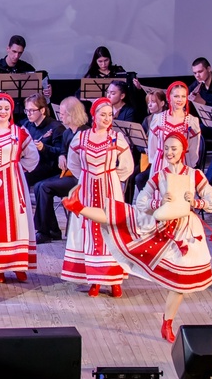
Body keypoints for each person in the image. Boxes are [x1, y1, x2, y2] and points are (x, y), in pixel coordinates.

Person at [63, 132, 212, 342]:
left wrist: (195, 203)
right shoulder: (159, 176)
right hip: (160, 221)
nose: (170, 152)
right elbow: (142, 201)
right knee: (120, 215)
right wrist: (159, 202)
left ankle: (167, 322)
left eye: (174, 148)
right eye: (167, 148)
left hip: (185, 231)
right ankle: (78, 207)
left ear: (183, 150)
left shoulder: (194, 175)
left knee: (179, 283)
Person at [61, 98, 133, 298]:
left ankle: (113, 280)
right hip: (86, 188)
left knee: (110, 230)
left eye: (110, 115)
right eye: (103, 114)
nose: (107, 118)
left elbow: (127, 165)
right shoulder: (81, 138)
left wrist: (111, 177)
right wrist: (85, 176)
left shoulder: (116, 138)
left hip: (109, 188)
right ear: (94, 115)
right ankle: (93, 279)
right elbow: (73, 163)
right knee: (88, 231)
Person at [0, 93, 39, 282]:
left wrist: (19, 168)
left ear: (11, 111)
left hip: (13, 182)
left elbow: (33, 156)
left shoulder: (20, 133)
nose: (3, 112)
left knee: (17, 222)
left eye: (6, 108)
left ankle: (18, 265)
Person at [33, 97, 86, 242]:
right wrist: (62, 155)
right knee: (39, 187)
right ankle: (52, 230)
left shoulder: (85, 133)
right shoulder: (68, 132)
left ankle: (45, 231)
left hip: (80, 178)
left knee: (44, 187)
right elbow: (63, 150)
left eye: (62, 114)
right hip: (68, 174)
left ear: (71, 114)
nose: (60, 116)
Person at [21, 94, 64, 187]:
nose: (28, 113)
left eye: (32, 110)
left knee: (21, 177)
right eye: (26, 110)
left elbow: (61, 152)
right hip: (32, 164)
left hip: (48, 167)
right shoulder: (27, 125)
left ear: (42, 110)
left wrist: (43, 148)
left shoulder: (56, 127)